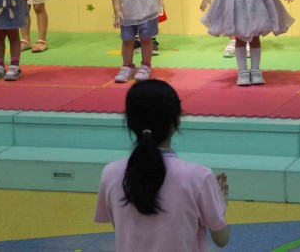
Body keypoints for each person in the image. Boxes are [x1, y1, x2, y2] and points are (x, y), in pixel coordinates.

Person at [95, 80, 230, 251]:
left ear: (130, 123)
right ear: (176, 122)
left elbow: (123, 228)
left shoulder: (111, 174)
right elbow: (221, 239)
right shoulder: (199, 177)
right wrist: (219, 207)